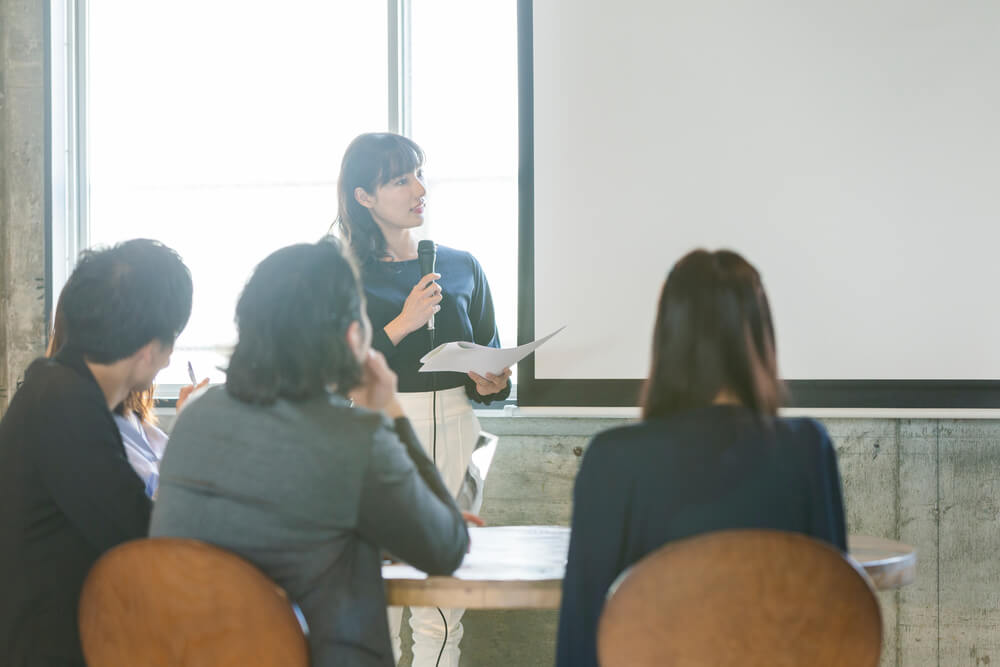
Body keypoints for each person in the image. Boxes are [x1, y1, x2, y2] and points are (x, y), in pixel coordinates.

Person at [149, 237, 470, 667]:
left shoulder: (194, 417)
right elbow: (446, 550)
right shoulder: (355, 436)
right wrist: (391, 412)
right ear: (353, 336)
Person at [555, 249, 848, 667]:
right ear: (760, 336)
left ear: (667, 337)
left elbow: (582, 637)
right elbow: (836, 612)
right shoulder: (808, 448)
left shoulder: (612, 459)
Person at [336, 132, 510, 666]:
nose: (419, 189)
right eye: (399, 180)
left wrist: (492, 383)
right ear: (364, 197)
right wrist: (402, 324)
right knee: (379, 606)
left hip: (456, 429)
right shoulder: (342, 274)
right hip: (378, 435)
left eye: (419, 174)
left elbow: (491, 362)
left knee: (441, 610)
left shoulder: (462, 265)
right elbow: (332, 375)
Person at [0, 239, 193, 666]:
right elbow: (138, 533)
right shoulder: (65, 404)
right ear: (150, 352)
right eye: (171, 344)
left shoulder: (54, 385)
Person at [46, 296, 207, 499]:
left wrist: (187, 424)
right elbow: (154, 503)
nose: (165, 360)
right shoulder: (80, 432)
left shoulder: (129, 414)